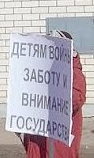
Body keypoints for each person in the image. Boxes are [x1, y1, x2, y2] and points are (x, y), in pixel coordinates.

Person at [23, 30, 86, 158]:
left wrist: (48, 102)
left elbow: (75, 99)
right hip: (39, 138)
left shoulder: (73, 71)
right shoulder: (40, 69)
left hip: (59, 143)